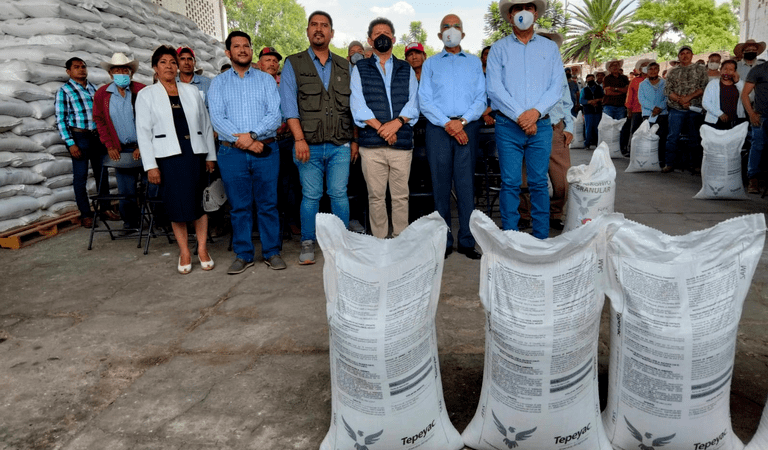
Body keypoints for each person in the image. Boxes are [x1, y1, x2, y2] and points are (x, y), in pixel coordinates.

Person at [280, 11, 356, 264]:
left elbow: (354, 107)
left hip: (339, 144)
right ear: (308, 31)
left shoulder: (345, 66)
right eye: (314, 25)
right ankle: (308, 241)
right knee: (311, 196)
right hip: (308, 146)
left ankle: (342, 242)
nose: (319, 29)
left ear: (331, 33)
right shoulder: (293, 63)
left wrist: (354, 140)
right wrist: (299, 139)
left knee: (339, 194)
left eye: (324, 25)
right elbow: (289, 106)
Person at [208, 31, 286, 273]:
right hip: (232, 154)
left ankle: (272, 252)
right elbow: (217, 118)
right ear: (228, 52)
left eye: (246, 46)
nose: (242, 50)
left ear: (251, 51)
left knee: (268, 204)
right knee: (239, 207)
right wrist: (245, 141)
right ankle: (243, 254)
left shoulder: (266, 80)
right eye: (237, 46)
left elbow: (275, 115)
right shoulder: (218, 83)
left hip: (265, 150)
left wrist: (251, 135)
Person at [135, 45, 217, 274]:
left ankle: (202, 249)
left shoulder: (191, 91)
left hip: (194, 154)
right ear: (155, 67)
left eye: (173, 62)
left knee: (199, 204)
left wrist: (210, 155)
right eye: (163, 62)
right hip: (168, 158)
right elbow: (143, 133)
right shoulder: (146, 95)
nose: (169, 66)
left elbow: (206, 125)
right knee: (176, 206)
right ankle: (184, 251)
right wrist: (151, 166)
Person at [486, 0, 564, 239]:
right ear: (510, 16)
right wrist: (521, 116)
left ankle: (540, 236)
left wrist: (535, 113)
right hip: (508, 126)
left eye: (528, 7)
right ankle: (511, 235)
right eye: (517, 8)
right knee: (510, 182)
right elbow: (494, 88)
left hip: (541, 125)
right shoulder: (498, 49)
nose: (523, 12)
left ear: (536, 14)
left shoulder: (550, 49)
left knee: (539, 182)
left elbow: (557, 86)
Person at [418, 14, 485, 259]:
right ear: (439, 35)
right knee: (440, 186)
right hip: (439, 129)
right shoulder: (430, 64)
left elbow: (481, 98)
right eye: (446, 26)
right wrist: (448, 123)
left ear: (463, 34)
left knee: (466, 186)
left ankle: (467, 241)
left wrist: (462, 122)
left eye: (456, 26)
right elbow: (424, 100)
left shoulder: (474, 63)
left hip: (467, 127)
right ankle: (444, 241)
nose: (451, 30)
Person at [351, 17, 419, 239]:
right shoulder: (360, 68)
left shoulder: (406, 68)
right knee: (376, 197)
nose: (382, 37)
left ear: (394, 39)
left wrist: (396, 124)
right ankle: (380, 243)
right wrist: (383, 129)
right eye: (377, 34)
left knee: (400, 197)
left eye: (387, 34)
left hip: (401, 144)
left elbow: (414, 103)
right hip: (372, 146)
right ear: (370, 40)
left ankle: (401, 240)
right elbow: (358, 105)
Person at [54, 57, 116, 228]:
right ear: (68, 71)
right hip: (79, 137)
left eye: (83, 66)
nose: (81, 69)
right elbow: (61, 119)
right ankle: (86, 214)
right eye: (76, 67)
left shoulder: (94, 89)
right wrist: (70, 143)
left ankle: (105, 208)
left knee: (102, 174)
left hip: (97, 137)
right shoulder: (64, 91)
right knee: (80, 177)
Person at [93, 53, 147, 233]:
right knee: (126, 191)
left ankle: (158, 221)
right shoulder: (102, 94)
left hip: (144, 148)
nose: (121, 74)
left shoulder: (141, 90)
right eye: (117, 71)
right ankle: (130, 223)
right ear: (110, 74)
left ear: (131, 73)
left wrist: (142, 145)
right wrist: (109, 145)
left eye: (125, 70)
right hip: (121, 150)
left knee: (152, 186)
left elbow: (151, 118)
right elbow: (99, 120)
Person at [662, 45, 708, 173]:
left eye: (688, 53)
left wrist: (688, 98)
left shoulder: (700, 69)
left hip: (694, 109)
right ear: (678, 56)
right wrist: (679, 100)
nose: (685, 55)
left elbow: (703, 87)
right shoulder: (672, 71)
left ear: (692, 55)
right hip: (676, 109)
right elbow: (667, 90)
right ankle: (669, 163)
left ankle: (695, 165)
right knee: (672, 137)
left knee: (695, 137)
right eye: (682, 53)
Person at [742, 53, 768, 193]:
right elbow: (745, 94)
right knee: (757, 145)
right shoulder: (759, 69)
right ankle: (753, 179)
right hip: (760, 116)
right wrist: (751, 113)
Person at [638, 61, 668, 167]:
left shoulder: (665, 83)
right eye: (650, 69)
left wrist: (660, 107)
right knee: (648, 137)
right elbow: (641, 99)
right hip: (648, 114)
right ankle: (647, 160)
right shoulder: (642, 84)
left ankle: (660, 160)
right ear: (647, 71)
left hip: (662, 114)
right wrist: (653, 108)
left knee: (661, 137)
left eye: (655, 69)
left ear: (658, 70)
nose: (653, 71)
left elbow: (667, 97)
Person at [702, 60, 745, 130]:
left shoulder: (739, 84)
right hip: (715, 121)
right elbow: (705, 102)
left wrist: (737, 81)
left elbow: (747, 96)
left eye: (731, 70)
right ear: (721, 70)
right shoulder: (713, 84)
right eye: (725, 69)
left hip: (735, 121)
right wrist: (720, 114)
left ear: (735, 72)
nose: (727, 72)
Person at [602, 59, 630, 155]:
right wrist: (620, 91)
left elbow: (627, 90)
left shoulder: (624, 78)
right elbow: (607, 92)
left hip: (621, 106)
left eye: (617, 65)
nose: (615, 67)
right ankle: (606, 149)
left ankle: (620, 149)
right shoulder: (607, 78)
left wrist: (614, 89)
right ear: (609, 68)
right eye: (613, 65)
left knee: (620, 128)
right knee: (607, 127)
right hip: (609, 105)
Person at [625, 59, 652, 144]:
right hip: (636, 110)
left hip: (651, 111)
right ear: (640, 69)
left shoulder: (656, 80)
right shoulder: (635, 81)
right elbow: (630, 96)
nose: (646, 67)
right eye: (644, 66)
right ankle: (632, 148)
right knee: (635, 130)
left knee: (649, 131)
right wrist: (629, 109)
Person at [580, 73, 604, 148]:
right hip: (588, 111)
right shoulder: (584, 90)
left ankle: (598, 143)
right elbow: (581, 100)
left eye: (592, 79)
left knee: (598, 128)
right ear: (586, 80)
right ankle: (587, 143)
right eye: (588, 79)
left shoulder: (599, 88)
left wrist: (597, 100)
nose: (590, 80)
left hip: (598, 111)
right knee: (588, 128)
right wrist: (590, 102)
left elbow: (603, 98)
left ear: (594, 79)